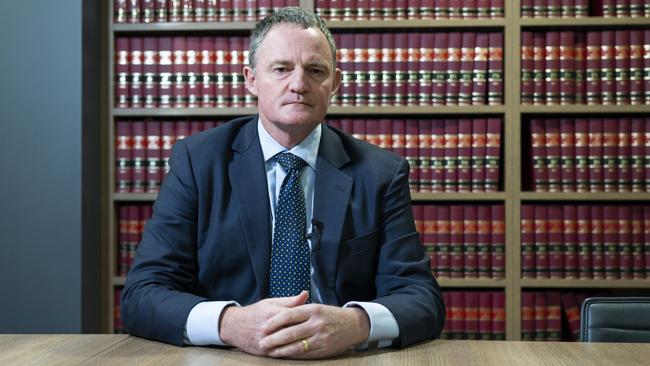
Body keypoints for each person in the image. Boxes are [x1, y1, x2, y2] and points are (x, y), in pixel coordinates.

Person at [121, 7, 445, 359]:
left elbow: (421, 297)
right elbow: (142, 293)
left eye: (315, 70)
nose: (298, 84)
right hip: (227, 357)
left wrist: (355, 325)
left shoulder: (380, 173)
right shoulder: (199, 163)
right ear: (251, 79)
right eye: (281, 69)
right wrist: (231, 323)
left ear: (335, 83)